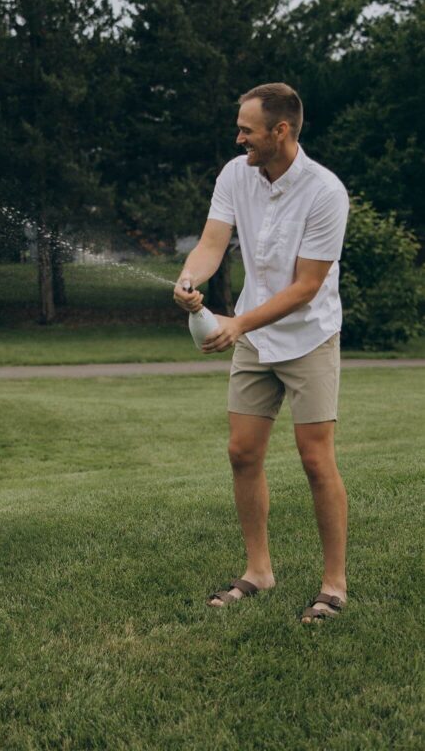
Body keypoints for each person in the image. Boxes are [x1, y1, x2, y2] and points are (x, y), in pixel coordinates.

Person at [174, 83, 350, 623]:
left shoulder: (325, 192)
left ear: (281, 131)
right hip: (253, 333)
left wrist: (237, 322)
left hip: (308, 336)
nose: (239, 136)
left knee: (316, 459)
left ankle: (334, 584)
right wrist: (189, 278)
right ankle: (258, 571)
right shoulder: (235, 173)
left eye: (247, 129)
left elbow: (306, 287)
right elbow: (211, 241)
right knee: (242, 453)